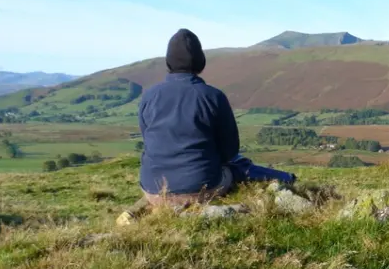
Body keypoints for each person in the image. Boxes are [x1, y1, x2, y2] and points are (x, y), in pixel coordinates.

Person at [117, 28, 296, 225]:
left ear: (168, 62)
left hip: (153, 188)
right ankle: (286, 179)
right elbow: (230, 151)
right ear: (200, 61)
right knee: (239, 165)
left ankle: (140, 210)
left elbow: (148, 138)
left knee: (167, 183)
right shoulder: (213, 96)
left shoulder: (149, 96)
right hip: (204, 187)